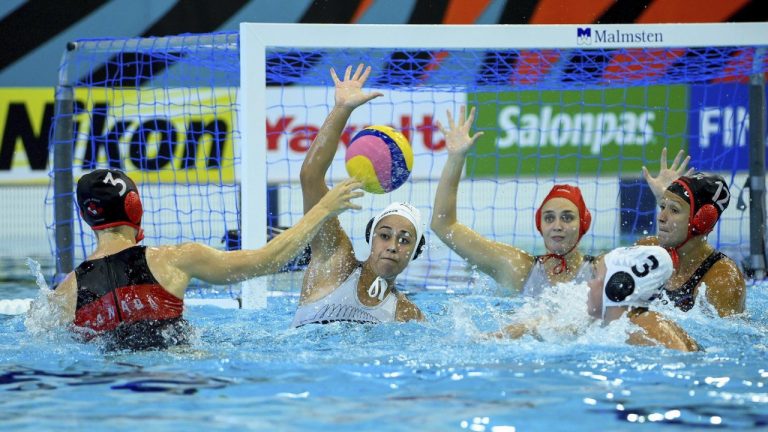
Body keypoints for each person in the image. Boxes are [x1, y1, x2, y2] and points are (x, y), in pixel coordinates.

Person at [41, 168, 364, 350]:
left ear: (85, 216)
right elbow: (269, 260)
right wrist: (324, 208)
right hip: (181, 372)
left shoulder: (64, 294)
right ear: (134, 206)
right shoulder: (175, 259)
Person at [291, 64, 425, 327]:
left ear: (415, 252)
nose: (393, 246)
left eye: (404, 240)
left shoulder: (406, 314)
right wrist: (342, 109)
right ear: (371, 238)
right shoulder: (337, 265)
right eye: (384, 235)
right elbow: (310, 177)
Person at [431, 106, 594, 296]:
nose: (557, 226)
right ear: (540, 225)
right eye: (549, 218)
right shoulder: (519, 269)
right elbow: (444, 226)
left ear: (583, 224)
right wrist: (456, 158)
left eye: (567, 218)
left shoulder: (600, 271)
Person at [495, 246, 700, 352]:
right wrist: (528, 328)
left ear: (617, 287)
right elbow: (563, 333)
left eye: (596, 277)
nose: (589, 284)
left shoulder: (643, 328)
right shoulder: (614, 322)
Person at [639, 148, 746, 316]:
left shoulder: (722, 280)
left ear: (702, 220)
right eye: (662, 207)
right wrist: (666, 199)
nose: (660, 217)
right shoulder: (648, 249)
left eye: (674, 210)